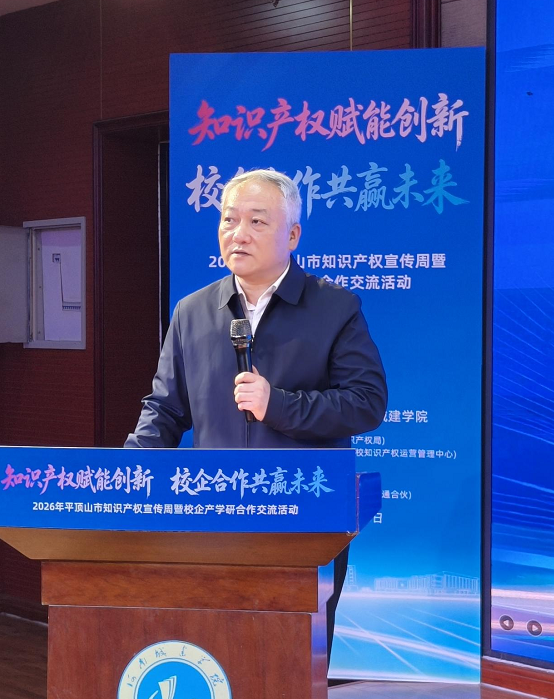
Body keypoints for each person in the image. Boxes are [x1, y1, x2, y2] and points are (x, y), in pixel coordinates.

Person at [125, 168, 387, 662]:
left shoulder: (335, 308)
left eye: (257, 221)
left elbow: (366, 401)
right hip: (213, 513)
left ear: (293, 235)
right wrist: (127, 474)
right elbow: (164, 410)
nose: (238, 233)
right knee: (214, 651)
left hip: (304, 514)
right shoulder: (192, 312)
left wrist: (278, 405)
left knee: (290, 662)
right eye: (229, 220)